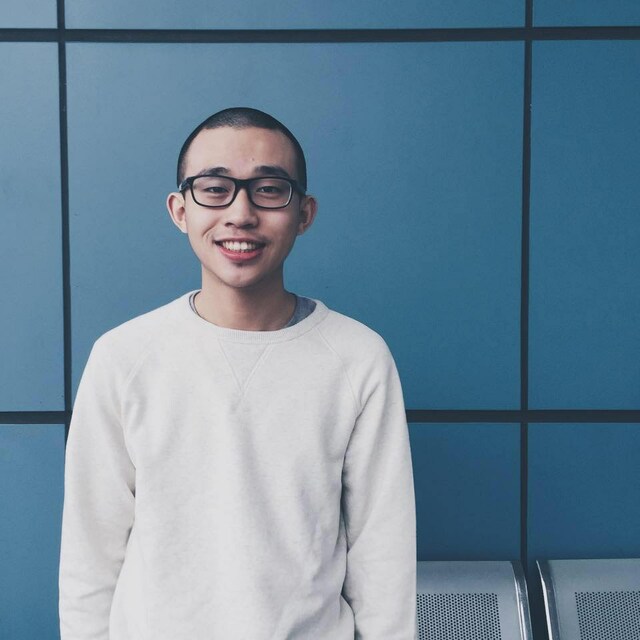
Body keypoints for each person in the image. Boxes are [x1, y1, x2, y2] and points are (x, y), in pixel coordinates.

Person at [58, 107, 417, 639]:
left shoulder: (358, 357)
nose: (241, 213)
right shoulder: (124, 357)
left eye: (269, 189)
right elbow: (91, 555)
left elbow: (383, 556)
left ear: (304, 213)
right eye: (214, 189)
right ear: (180, 210)